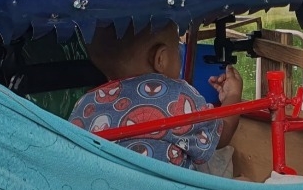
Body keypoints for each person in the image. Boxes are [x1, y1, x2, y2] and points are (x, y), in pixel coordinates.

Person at [71, 21, 244, 171]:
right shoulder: (178, 96)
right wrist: (233, 95)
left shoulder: (84, 105)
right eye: (178, 49)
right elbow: (221, 135)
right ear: (161, 59)